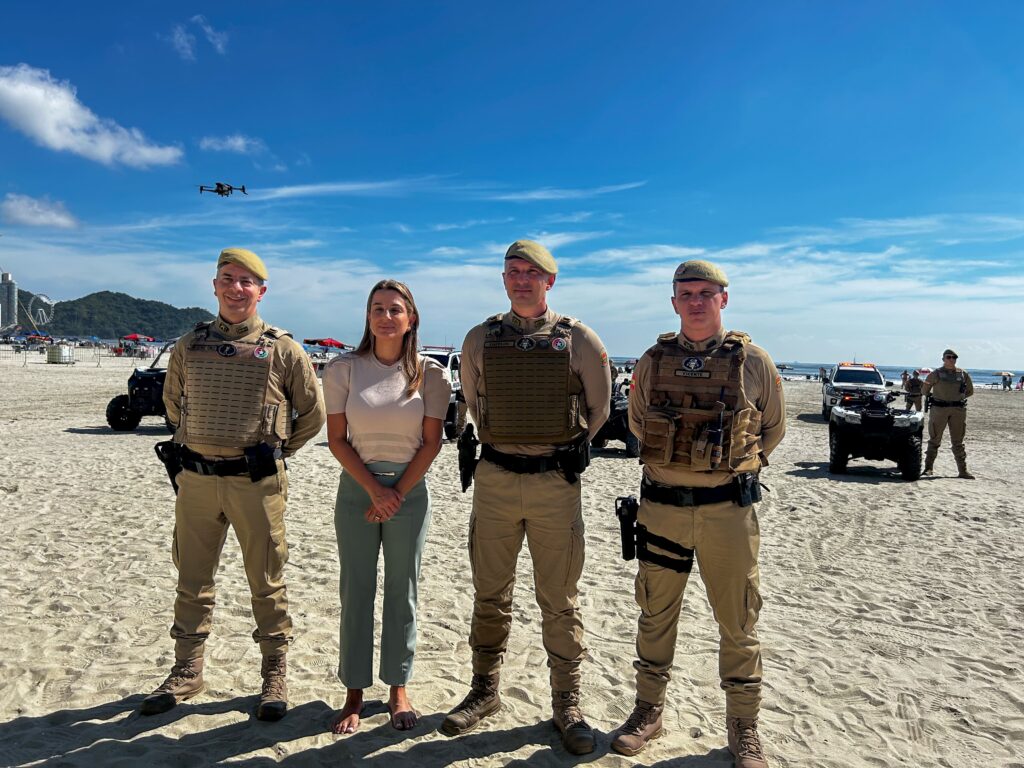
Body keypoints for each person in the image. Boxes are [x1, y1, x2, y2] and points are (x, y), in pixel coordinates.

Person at [611, 260, 785, 768]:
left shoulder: (753, 360)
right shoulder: (651, 359)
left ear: (723, 300)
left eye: (706, 293)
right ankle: (648, 712)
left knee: (738, 621)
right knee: (655, 613)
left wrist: (737, 468)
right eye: (685, 293)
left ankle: (743, 728)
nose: (695, 301)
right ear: (673, 301)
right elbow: (640, 424)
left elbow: (772, 428)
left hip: (728, 513)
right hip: (663, 509)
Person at [441, 240, 611, 755]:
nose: (520, 279)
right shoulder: (479, 338)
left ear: (549, 281)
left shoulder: (578, 338)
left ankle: (567, 703)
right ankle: (485, 690)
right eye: (512, 271)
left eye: (531, 272)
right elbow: (473, 401)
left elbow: (599, 410)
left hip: (554, 483)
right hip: (494, 478)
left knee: (558, 598)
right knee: (489, 592)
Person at [141, 248, 326, 720]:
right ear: (214, 285)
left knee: (266, 580)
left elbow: (312, 415)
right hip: (198, 481)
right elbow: (173, 405)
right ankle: (187, 669)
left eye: (246, 281)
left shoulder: (284, 349)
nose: (236, 287)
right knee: (192, 578)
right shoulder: (189, 345)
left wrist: (274, 453)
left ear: (261, 291)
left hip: (256, 483)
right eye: (228, 278)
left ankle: (273, 673)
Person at [322, 280, 451, 734]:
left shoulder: (431, 374)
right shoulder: (343, 369)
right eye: (377, 308)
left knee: (404, 589)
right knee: (355, 588)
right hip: (357, 486)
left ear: (410, 317)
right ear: (368, 316)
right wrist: (375, 491)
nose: (385, 316)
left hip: (410, 490)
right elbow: (337, 440)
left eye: (395, 309)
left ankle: (398, 688)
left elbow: (432, 444)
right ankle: (354, 692)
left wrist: (395, 492)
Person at [921, 349, 974, 479]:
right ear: (943, 359)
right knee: (934, 439)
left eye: (954, 357)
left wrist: (957, 398)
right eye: (948, 357)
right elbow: (924, 390)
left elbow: (970, 391)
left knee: (958, 441)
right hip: (939, 409)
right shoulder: (936, 374)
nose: (951, 359)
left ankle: (963, 470)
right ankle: (928, 468)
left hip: (958, 410)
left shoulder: (963, 374)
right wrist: (940, 397)